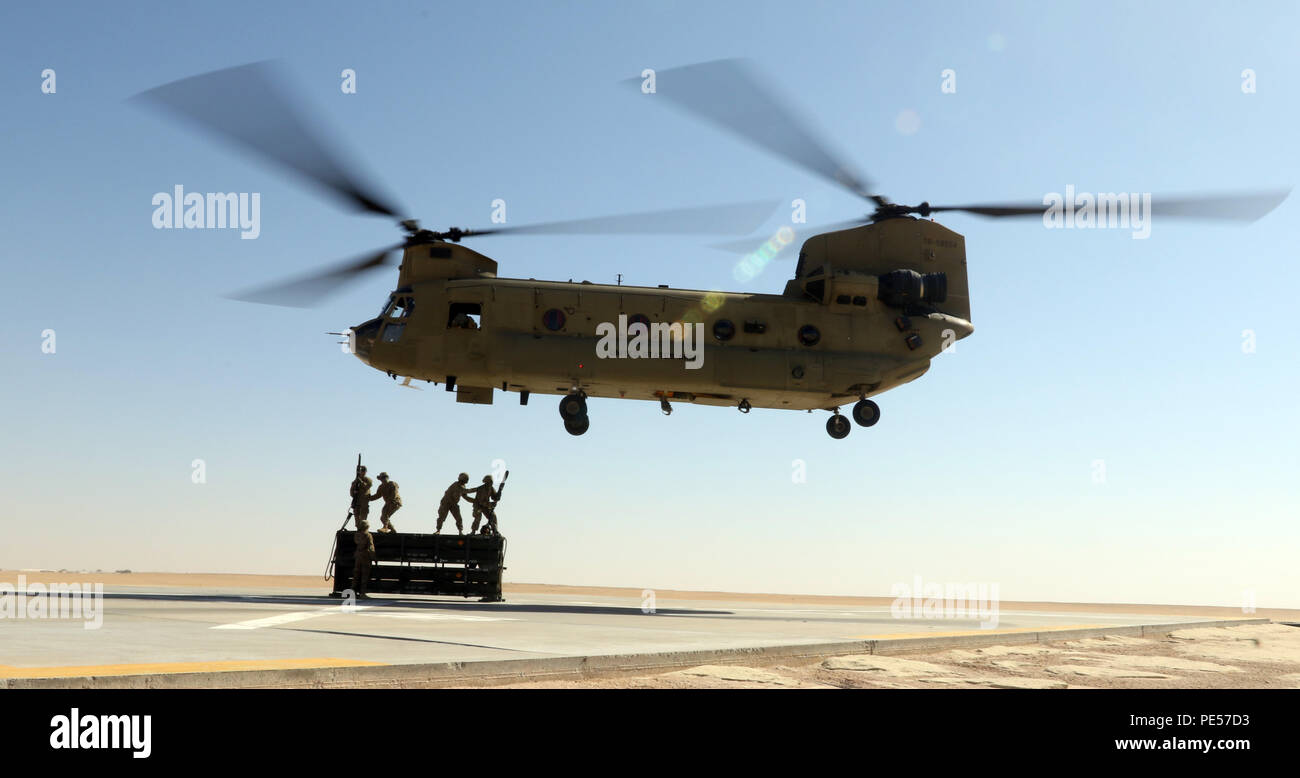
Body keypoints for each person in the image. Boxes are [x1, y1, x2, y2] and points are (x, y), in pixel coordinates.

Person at [352, 519, 375, 599]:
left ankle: (353, 592)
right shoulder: (368, 535)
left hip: (358, 555)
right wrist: (373, 557)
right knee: (364, 575)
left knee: (356, 574)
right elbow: (371, 547)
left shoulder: (356, 535)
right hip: (365, 556)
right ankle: (362, 593)